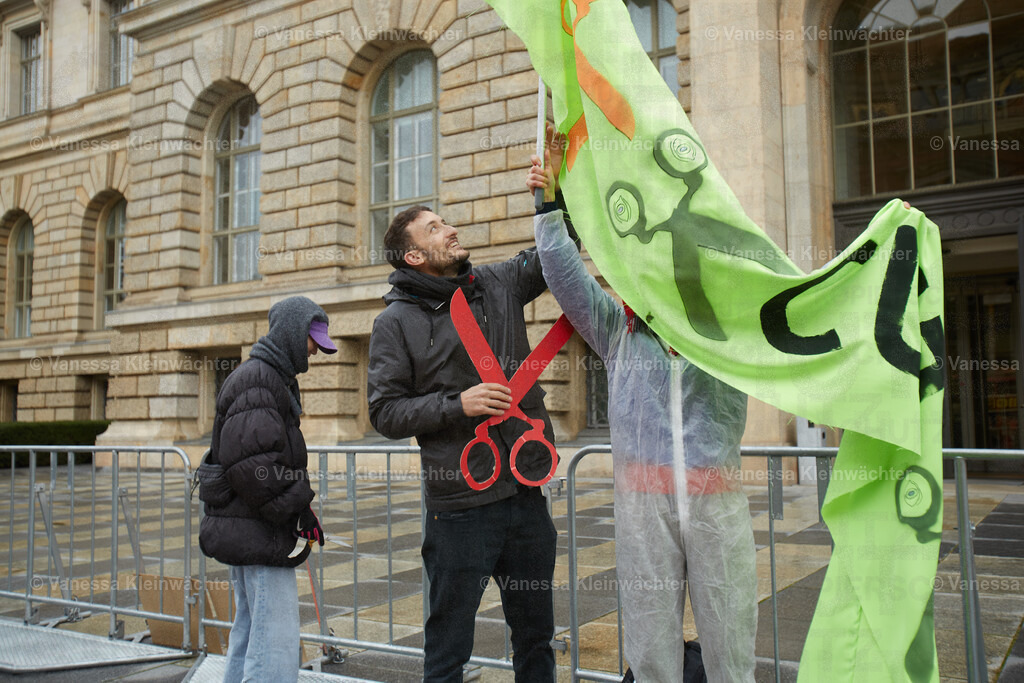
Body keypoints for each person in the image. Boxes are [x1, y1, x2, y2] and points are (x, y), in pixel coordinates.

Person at [527, 131, 758, 683]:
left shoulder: (730, 338)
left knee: (731, 636)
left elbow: (806, 302)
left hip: (715, 505)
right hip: (643, 509)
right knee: (652, 642)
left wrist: (875, 255)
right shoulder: (620, 333)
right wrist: (550, 203)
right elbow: (563, 272)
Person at [367, 199, 559, 682]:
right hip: (459, 507)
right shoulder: (394, 322)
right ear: (414, 256)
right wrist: (459, 404)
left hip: (524, 495)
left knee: (536, 638)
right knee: (449, 647)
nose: (451, 230)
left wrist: (552, 194)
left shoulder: (499, 282)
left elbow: (558, 250)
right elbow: (384, 412)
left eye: (446, 222)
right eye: (435, 229)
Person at [198, 295, 337, 683]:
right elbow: (253, 467)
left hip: (250, 523)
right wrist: (297, 509)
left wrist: (299, 509)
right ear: (292, 333)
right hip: (256, 527)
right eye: (313, 340)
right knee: (274, 634)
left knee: (253, 627)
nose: (315, 350)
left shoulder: (267, 376)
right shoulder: (260, 378)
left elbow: (256, 462)